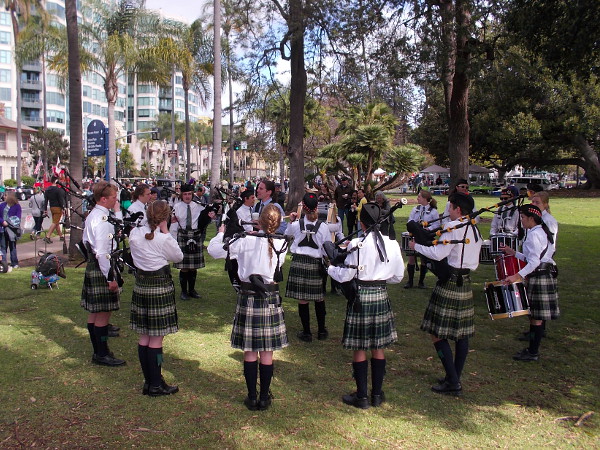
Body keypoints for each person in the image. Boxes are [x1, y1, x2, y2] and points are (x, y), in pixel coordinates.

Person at [208, 204, 290, 411]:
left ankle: (252, 396)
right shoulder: (281, 243)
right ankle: (264, 397)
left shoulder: (245, 240)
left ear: (259, 221)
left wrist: (221, 234)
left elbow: (215, 251)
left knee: (250, 352)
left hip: (249, 297)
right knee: (267, 352)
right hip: (269, 296)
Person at [328, 203, 404, 409]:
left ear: (361, 223)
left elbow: (346, 275)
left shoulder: (357, 244)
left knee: (360, 347)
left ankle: (362, 396)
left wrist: (330, 268)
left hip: (361, 296)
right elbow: (398, 277)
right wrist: (380, 278)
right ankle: (377, 395)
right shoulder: (393, 244)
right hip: (380, 295)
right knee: (378, 347)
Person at [409, 192, 482, 396]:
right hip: (465, 282)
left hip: (450, 282)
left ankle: (453, 381)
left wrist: (417, 247)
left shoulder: (454, 228)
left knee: (436, 332)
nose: (447, 211)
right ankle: (454, 377)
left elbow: (438, 253)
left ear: (458, 209)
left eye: (450, 207)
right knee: (461, 336)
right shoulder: (474, 228)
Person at [129, 200, 184, 396]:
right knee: (156, 339)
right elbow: (178, 257)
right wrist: (166, 231)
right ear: (165, 217)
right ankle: (155, 384)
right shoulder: (163, 239)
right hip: (159, 286)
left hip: (141, 285)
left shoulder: (135, 234)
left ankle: (149, 381)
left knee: (145, 336)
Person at [502, 204, 559, 361]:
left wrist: (517, 276)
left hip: (540, 276)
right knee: (535, 316)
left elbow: (534, 262)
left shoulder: (534, 235)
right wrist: (514, 253)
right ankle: (532, 349)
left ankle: (533, 352)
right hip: (543, 274)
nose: (521, 221)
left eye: (523, 218)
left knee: (536, 317)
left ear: (531, 219)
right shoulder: (539, 231)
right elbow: (532, 257)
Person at [80, 181, 126, 366]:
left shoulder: (94, 214)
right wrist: (110, 278)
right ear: (104, 198)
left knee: (95, 313)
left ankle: (99, 351)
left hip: (95, 266)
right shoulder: (101, 220)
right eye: (114, 197)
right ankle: (101, 353)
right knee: (103, 314)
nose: (117, 200)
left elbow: (85, 242)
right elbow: (102, 252)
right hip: (102, 268)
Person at [285, 192, 332, 342]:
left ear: (303, 208)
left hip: (299, 263)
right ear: (317, 207)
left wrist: (292, 221)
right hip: (315, 264)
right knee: (319, 298)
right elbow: (326, 248)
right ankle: (322, 331)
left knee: (303, 300)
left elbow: (287, 235)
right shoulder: (323, 227)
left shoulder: (295, 225)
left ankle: (307, 332)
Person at [170, 184, 214, 300]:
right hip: (182, 236)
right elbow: (174, 225)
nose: (187, 196)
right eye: (185, 194)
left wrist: (210, 215)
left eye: (189, 194)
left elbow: (204, 220)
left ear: (192, 194)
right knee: (184, 267)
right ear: (181, 195)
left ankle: (192, 290)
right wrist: (173, 240)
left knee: (193, 267)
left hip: (195, 236)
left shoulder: (198, 206)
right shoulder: (177, 207)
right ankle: (184, 292)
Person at [405, 190, 439, 289]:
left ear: (425, 198)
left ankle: (421, 282)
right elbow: (410, 221)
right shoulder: (415, 209)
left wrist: (428, 228)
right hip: (415, 235)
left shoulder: (433, 211)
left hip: (425, 236)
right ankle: (410, 281)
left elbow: (437, 225)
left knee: (424, 259)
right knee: (411, 258)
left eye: (419, 196)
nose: (417, 198)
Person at [1, 192, 22, 271]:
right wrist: (2, 221)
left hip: (12, 229)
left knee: (12, 246)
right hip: (2, 229)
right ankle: (3, 263)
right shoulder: (2, 205)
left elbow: (18, 218)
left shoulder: (17, 206)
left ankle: (14, 263)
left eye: (6, 195)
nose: (4, 197)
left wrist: (8, 222)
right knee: (3, 247)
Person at [43, 176, 66, 244]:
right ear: (56, 181)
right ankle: (47, 236)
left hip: (52, 207)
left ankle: (61, 236)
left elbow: (45, 200)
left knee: (56, 222)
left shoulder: (47, 190)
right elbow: (60, 200)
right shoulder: (58, 190)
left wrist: (45, 209)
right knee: (55, 222)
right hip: (58, 207)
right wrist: (63, 208)